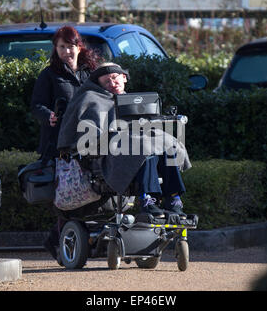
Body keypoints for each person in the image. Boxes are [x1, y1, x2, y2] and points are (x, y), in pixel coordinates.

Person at [57, 63, 191, 219]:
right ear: (99, 84)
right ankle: (147, 199)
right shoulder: (91, 99)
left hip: (135, 146)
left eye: (114, 78)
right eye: (106, 81)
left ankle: (173, 198)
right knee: (142, 147)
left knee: (167, 143)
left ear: (124, 78)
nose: (112, 83)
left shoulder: (134, 102)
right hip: (106, 153)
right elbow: (88, 135)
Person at [30, 26, 100, 261]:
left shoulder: (91, 72)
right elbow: (36, 105)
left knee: (88, 189)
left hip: (90, 142)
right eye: (61, 47)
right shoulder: (49, 75)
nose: (66, 51)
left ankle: (61, 240)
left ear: (79, 47)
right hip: (59, 144)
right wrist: (48, 115)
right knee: (66, 195)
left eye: (70, 46)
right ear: (56, 49)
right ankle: (59, 242)